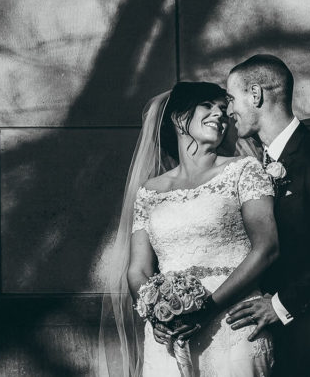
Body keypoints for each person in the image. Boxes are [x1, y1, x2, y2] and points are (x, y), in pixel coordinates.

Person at [98, 81, 279, 377]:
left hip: (232, 322)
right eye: (207, 106)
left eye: (223, 108)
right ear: (178, 118)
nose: (220, 114)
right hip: (171, 334)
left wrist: (207, 310)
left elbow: (267, 248)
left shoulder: (244, 171)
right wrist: (156, 315)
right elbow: (137, 269)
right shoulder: (149, 192)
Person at [223, 55, 310, 377]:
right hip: (273, 340)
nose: (228, 111)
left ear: (255, 95)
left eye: (232, 99)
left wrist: (279, 304)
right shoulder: (254, 164)